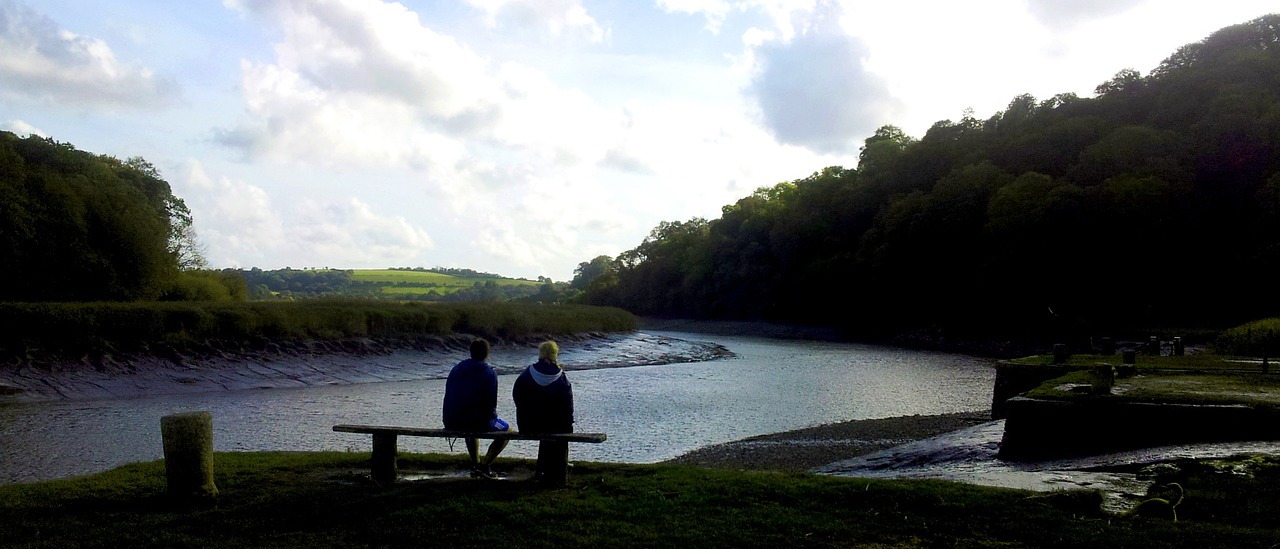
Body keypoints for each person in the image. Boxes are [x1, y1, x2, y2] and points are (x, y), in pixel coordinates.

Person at [442, 338, 509, 479]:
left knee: (470, 429)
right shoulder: (489, 373)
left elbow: (448, 396)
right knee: (508, 431)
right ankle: (485, 465)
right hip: (478, 422)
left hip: (452, 420)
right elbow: (491, 405)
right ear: (487, 354)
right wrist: (491, 418)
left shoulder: (456, 369)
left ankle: (475, 464)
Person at [512, 340, 574, 481]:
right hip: (554, 426)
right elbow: (568, 405)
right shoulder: (561, 377)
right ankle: (557, 471)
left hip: (528, 425)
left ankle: (542, 469)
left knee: (549, 430)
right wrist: (568, 424)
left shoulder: (527, 373)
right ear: (555, 354)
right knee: (560, 430)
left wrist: (523, 414)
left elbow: (517, 395)